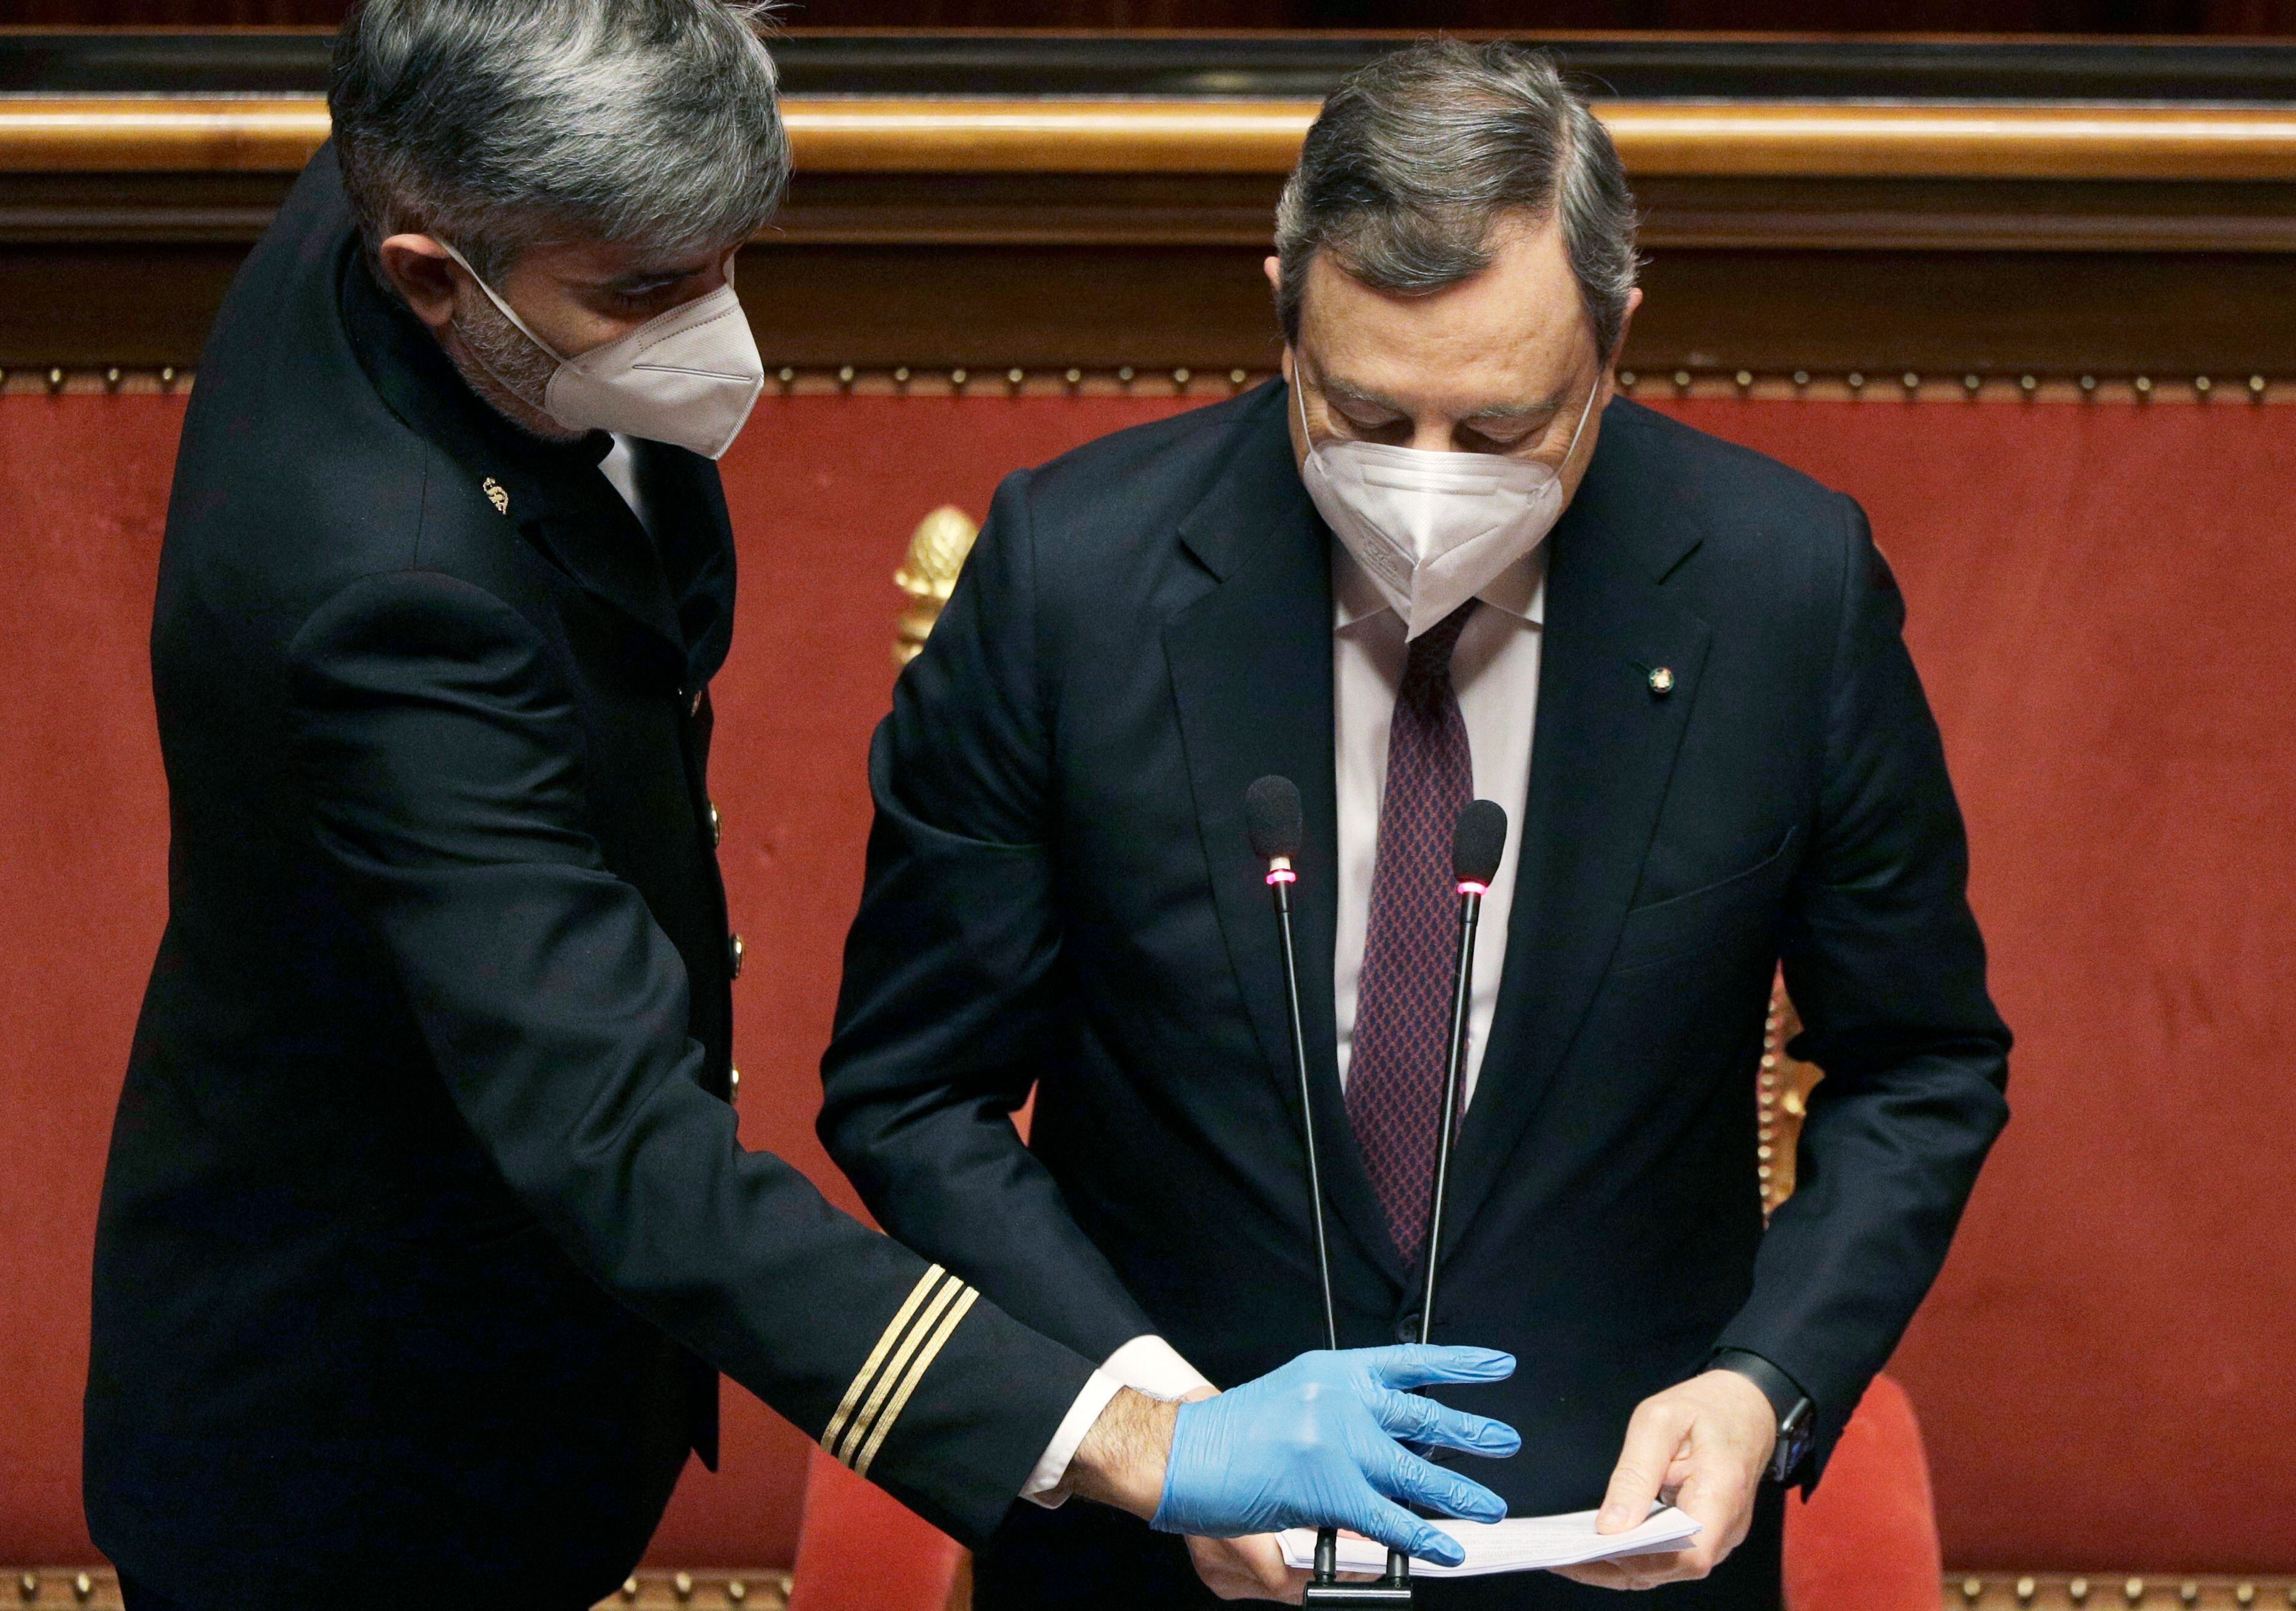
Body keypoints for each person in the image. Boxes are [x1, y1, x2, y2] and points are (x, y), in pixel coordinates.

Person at [83, 7, 1527, 1610]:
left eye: (725, 256)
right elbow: (617, 1135)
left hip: (531, 1341)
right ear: (430, 269)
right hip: (361, 1449)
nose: (712, 327)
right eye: (642, 293)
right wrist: (1137, 1440)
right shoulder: (384, 594)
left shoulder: (460, 119)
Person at [820, 39, 2012, 1610]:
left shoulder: (1777, 590)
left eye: (1504, 427)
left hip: (1607, 1559)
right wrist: (1150, 1421)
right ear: (1281, 305)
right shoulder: (1073, 580)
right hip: (1157, 1562)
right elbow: (914, 1089)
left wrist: (1762, 1380)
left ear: (1616, 336)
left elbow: (1919, 1061)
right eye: (1365, 416)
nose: (1426, 489)